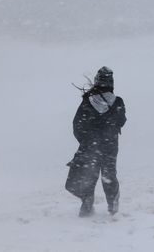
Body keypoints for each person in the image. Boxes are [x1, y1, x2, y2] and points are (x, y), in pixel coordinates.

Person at [65, 66, 127, 217]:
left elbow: (77, 124)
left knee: (89, 174)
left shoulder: (87, 101)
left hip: (91, 145)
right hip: (110, 145)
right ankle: (113, 205)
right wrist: (110, 131)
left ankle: (87, 204)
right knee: (109, 174)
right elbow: (122, 121)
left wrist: (86, 140)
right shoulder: (117, 101)